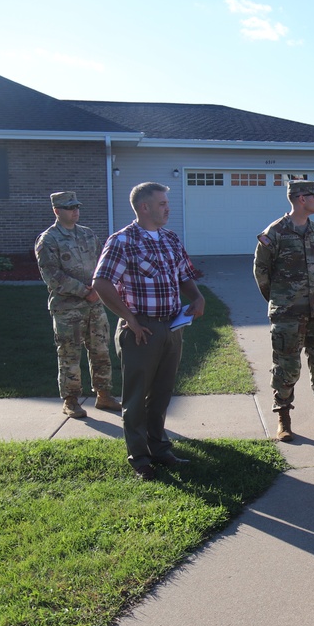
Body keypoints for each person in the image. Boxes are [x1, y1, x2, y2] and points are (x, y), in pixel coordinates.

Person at [92, 182, 206, 480]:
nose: (168, 208)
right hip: (141, 328)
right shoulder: (122, 241)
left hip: (172, 326)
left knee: (162, 392)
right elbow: (102, 283)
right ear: (144, 207)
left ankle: (160, 448)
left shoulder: (169, 238)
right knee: (136, 395)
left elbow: (184, 275)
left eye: (167, 203)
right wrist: (129, 318)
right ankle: (140, 457)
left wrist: (196, 296)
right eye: (162, 204)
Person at [253, 180, 314, 442]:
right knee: (286, 367)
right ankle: (283, 418)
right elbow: (261, 271)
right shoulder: (275, 232)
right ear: (301, 199)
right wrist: (278, 302)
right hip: (287, 314)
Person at [35, 191, 120, 418]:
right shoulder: (49, 240)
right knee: (69, 354)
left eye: (77, 206)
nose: (75, 211)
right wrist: (86, 292)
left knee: (101, 350)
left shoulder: (88, 235)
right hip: (67, 309)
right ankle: (71, 401)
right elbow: (52, 276)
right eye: (69, 207)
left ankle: (104, 395)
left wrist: (98, 291)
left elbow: (103, 264)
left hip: (95, 306)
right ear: (56, 211)